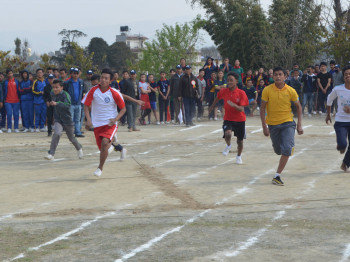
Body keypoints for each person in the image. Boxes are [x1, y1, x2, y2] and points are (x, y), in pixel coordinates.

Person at [260, 67, 303, 186]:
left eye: (280, 74)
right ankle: (286, 147)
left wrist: (299, 125)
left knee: (287, 149)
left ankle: (277, 175)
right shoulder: (267, 90)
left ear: (285, 77)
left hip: (288, 123)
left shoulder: (291, 90)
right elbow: (262, 108)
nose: (278, 77)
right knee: (278, 150)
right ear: (272, 77)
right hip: (273, 125)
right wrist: (264, 127)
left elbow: (299, 107)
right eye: (275, 75)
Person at [83, 68, 126, 177]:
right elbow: (86, 105)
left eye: (106, 78)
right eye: (102, 77)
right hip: (97, 125)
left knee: (104, 142)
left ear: (110, 80)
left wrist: (115, 119)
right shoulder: (93, 90)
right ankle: (111, 146)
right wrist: (88, 120)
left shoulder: (114, 93)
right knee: (103, 148)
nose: (103, 80)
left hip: (110, 124)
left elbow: (123, 109)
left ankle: (100, 168)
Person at [209, 72, 248, 164]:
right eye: (228, 80)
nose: (229, 82)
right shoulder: (224, 91)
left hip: (240, 120)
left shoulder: (241, 93)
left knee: (240, 141)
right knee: (227, 134)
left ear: (236, 81)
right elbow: (217, 98)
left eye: (231, 80)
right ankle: (229, 145)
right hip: (228, 118)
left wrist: (234, 105)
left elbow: (241, 109)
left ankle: (238, 156)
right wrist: (211, 106)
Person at [45, 79, 83, 160]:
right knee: (57, 133)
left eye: (57, 87)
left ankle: (79, 148)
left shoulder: (66, 95)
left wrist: (57, 103)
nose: (55, 89)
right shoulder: (52, 93)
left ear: (61, 87)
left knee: (71, 138)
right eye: (53, 87)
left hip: (67, 119)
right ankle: (51, 153)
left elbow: (68, 105)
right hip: (58, 119)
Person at [326, 65, 350, 171]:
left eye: (349, 74)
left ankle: (345, 163)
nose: (348, 76)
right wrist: (328, 114)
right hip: (341, 121)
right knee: (343, 144)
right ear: (343, 77)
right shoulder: (338, 89)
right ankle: (340, 144)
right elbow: (329, 99)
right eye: (346, 74)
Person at [64, 68, 85, 137]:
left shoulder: (81, 82)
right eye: (74, 73)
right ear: (71, 74)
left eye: (77, 73)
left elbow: (82, 91)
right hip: (71, 103)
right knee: (70, 119)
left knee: (77, 119)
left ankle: (77, 132)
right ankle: (70, 132)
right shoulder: (67, 82)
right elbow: (64, 92)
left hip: (78, 103)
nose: (75, 75)